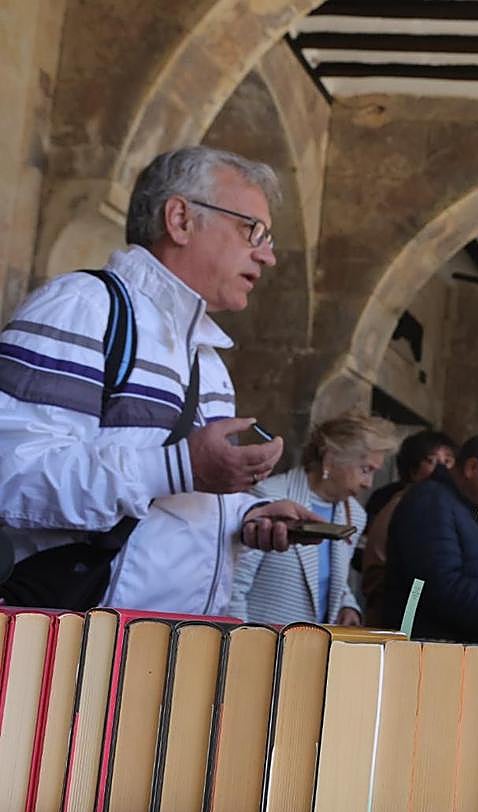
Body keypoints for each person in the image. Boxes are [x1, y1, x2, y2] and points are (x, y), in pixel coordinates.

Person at [0, 145, 320, 613]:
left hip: (163, 650)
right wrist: (180, 468)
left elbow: (174, 511)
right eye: (252, 230)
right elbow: (13, 477)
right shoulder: (84, 307)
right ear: (180, 220)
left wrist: (246, 515)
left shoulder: (207, 358)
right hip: (79, 650)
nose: (268, 256)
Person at [227, 413, 398, 625]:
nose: (368, 483)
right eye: (365, 470)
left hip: (313, 646)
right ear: (330, 459)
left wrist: (347, 604)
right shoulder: (269, 498)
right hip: (264, 644)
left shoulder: (354, 514)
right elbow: (234, 585)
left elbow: (329, 576)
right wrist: (243, 640)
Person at [381, 433, 478, 642]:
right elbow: (442, 587)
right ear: (472, 468)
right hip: (430, 650)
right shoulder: (431, 502)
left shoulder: (457, 506)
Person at [359, 429, 456, 623]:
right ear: (412, 469)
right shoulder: (403, 505)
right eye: (431, 460)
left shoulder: (444, 507)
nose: (441, 469)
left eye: (448, 461)